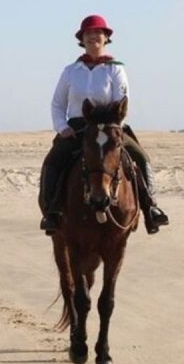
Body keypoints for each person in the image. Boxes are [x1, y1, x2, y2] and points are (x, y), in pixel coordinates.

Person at [40, 14, 168, 234]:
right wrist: (63, 128)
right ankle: (51, 212)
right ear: (82, 39)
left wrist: (114, 126)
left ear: (106, 37)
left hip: (111, 126)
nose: (93, 37)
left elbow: (122, 101)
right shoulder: (70, 71)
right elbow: (57, 104)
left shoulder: (115, 69)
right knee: (52, 161)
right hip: (78, 127)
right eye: (88, 34)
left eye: (98, 33)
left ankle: (151, 208)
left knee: (140, 158)